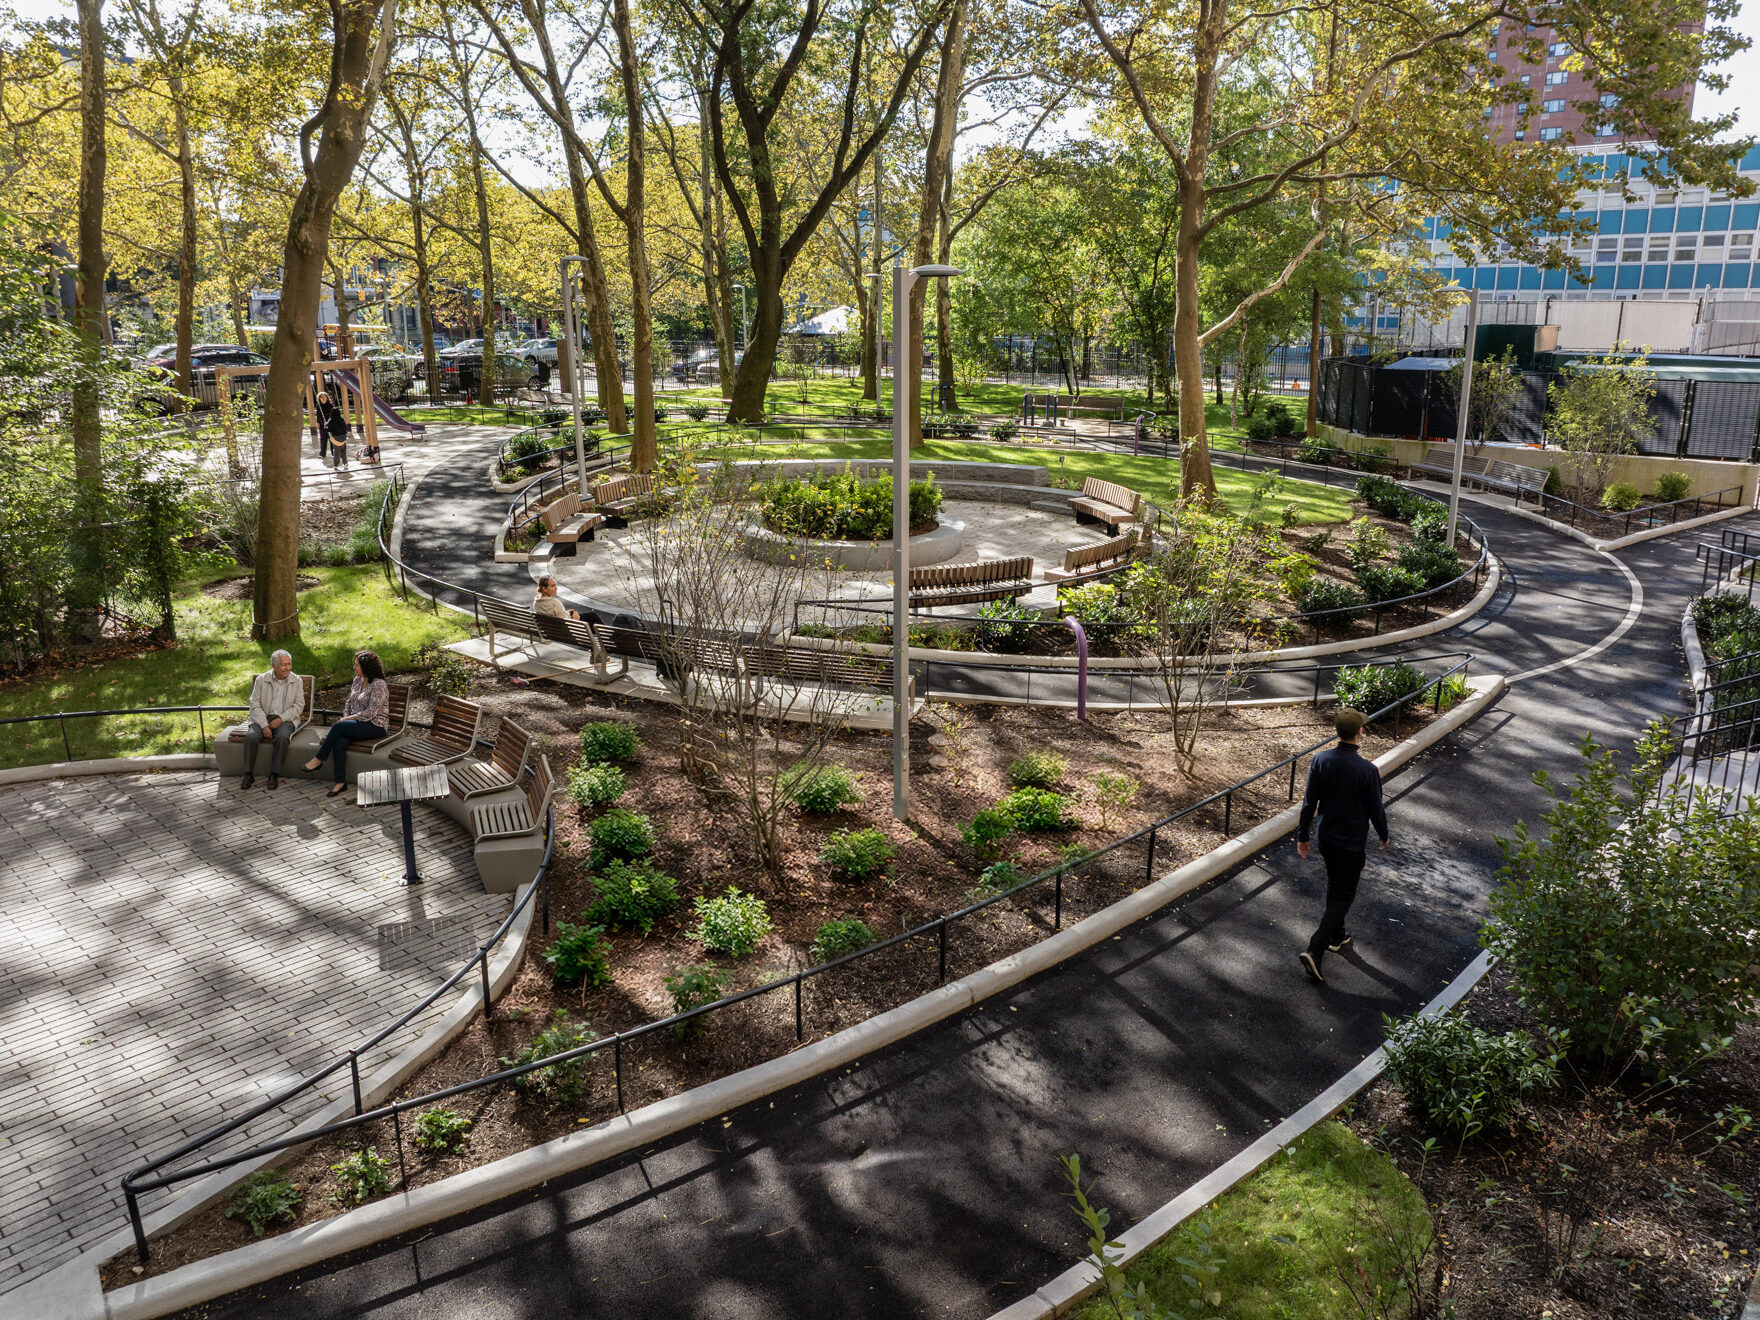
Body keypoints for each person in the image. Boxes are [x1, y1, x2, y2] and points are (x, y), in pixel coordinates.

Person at [1295, 707, 1389, 984]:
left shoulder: (1320, 760)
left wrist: (1303, 835)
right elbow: (1375, 808)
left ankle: (1338, 936)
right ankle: (1316, 947)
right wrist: (1384, 834)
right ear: (1359, 732)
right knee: (1344, 895)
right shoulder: (1367, 770)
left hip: (1326, 838)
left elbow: (1309, 803)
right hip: (1351, 843)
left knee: (1336, 885)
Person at [304, 650, 390, 797]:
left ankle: (319, 759)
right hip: (356, 723)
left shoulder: (379, 685)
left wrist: (346, 720)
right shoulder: (357, 680)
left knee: (338, 727)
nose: (354, 667)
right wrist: (345, 715)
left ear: (367, 667)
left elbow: (371, 713)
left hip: (375, 725)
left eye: (357, 665)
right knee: (339, 743)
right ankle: (340, 782)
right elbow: (349, 702)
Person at [240, 650, 304, 791]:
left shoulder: (296, 680)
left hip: (286, 718)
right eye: (284, 665)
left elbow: (299, 706)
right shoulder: (262, 680)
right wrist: (264, 725)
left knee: (282, 737)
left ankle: (274, 774)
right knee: (251, 737)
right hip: (263, 716)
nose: (288, 668)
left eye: (289, 664)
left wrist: (281, 719)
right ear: (273, 666)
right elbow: (254, 705)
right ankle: (248, 774)